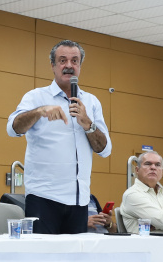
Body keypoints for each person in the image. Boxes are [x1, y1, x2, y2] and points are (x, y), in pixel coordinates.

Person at [6, 40, 112, 234]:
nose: (69, 66)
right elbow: (13, 128)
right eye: (62, 60)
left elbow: (104, 150)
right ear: (53, 66)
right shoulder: (36, 97)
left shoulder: (91, 102)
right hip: (43, 198)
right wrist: (39, 111)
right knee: (43, 259)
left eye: (74, 61)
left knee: (74, 260)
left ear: (80, 66)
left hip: (79, 200)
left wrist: (88, 123)